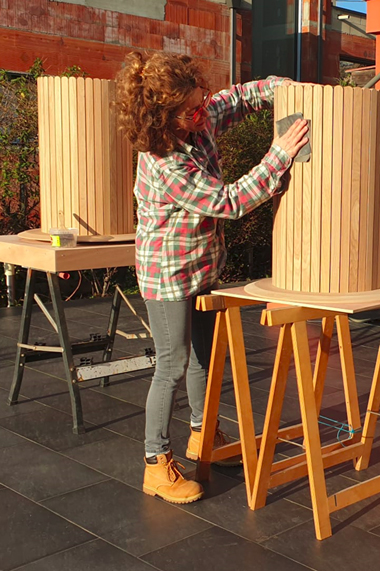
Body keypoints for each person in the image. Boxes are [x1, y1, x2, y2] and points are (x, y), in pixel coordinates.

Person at [115, 51, 308, 504]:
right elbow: (231, 201)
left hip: (201, 265)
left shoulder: (197, 120)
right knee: (172, 364)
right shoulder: (165, 162)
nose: (203, 112)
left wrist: (284, 88)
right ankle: (154, 463)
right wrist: (278, 156)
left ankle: (205, 437)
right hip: (167, 274)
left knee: (206, 358)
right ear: (164, 116)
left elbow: (237, 99)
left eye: (201, 102)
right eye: (192, 109)